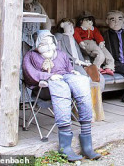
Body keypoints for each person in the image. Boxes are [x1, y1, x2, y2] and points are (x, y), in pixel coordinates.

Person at [22, 30, 99, 161]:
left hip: (65, 81)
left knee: (82, 81)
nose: (48, 45)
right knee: (60, 85)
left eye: (50, 42)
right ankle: (65, 147)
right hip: (45, 88)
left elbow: (68, 70)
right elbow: (30, 74)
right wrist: (49, 76)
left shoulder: (61, 54)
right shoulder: (30, 56)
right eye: (43, 43)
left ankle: (87, 142)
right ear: (37, 44)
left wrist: (73, 72)